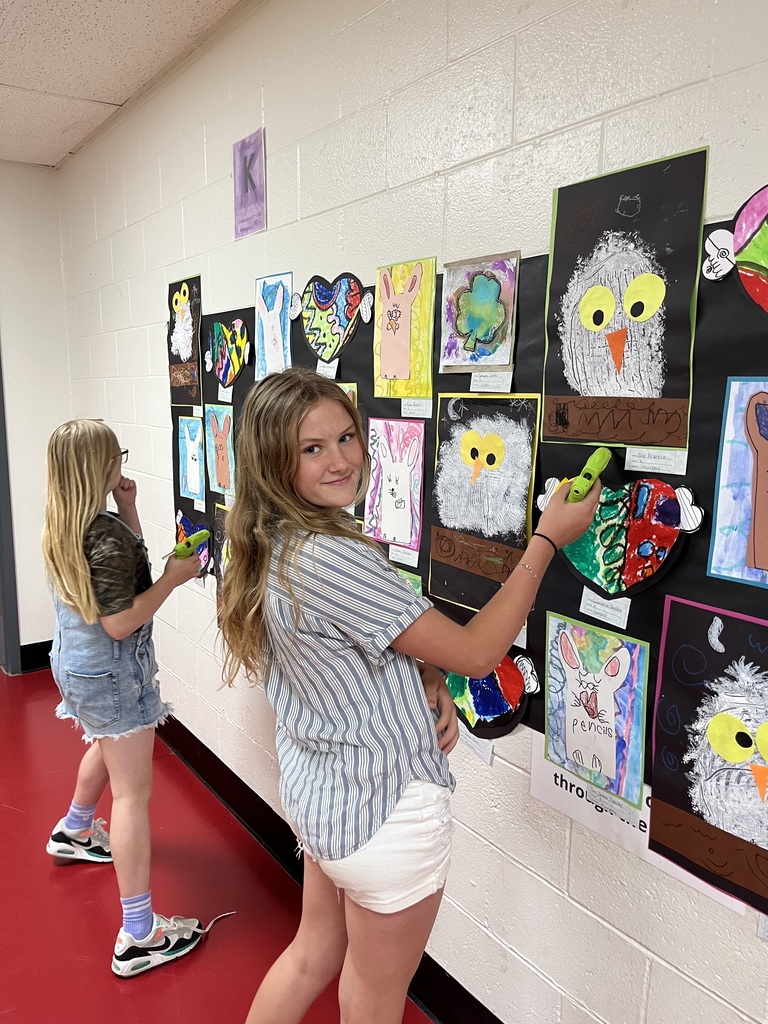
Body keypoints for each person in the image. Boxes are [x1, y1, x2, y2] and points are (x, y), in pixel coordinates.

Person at [219, 367, 599, 1024]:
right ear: (274, 462)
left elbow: (345, 649)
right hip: (384, 816)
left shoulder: (268, 543)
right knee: (372, 999)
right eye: (312, 449)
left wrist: (423, 673)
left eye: (346, 437)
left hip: (324, 804)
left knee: (313, 955)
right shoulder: (330, 555)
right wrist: (545, 540)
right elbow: (479, 653)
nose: (340, 459)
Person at [42, 418, 210, 977]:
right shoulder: (103, 537)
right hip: (112, 671)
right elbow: (122, 620)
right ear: (100, 468)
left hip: (76, 668)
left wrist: (129, 506)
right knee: (134, 795)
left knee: (106, 742)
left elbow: (119, 571)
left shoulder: (66, 523)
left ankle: (75, 827)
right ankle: (138, 934)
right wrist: (173, 579)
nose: (124, 466)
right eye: (118, 459)